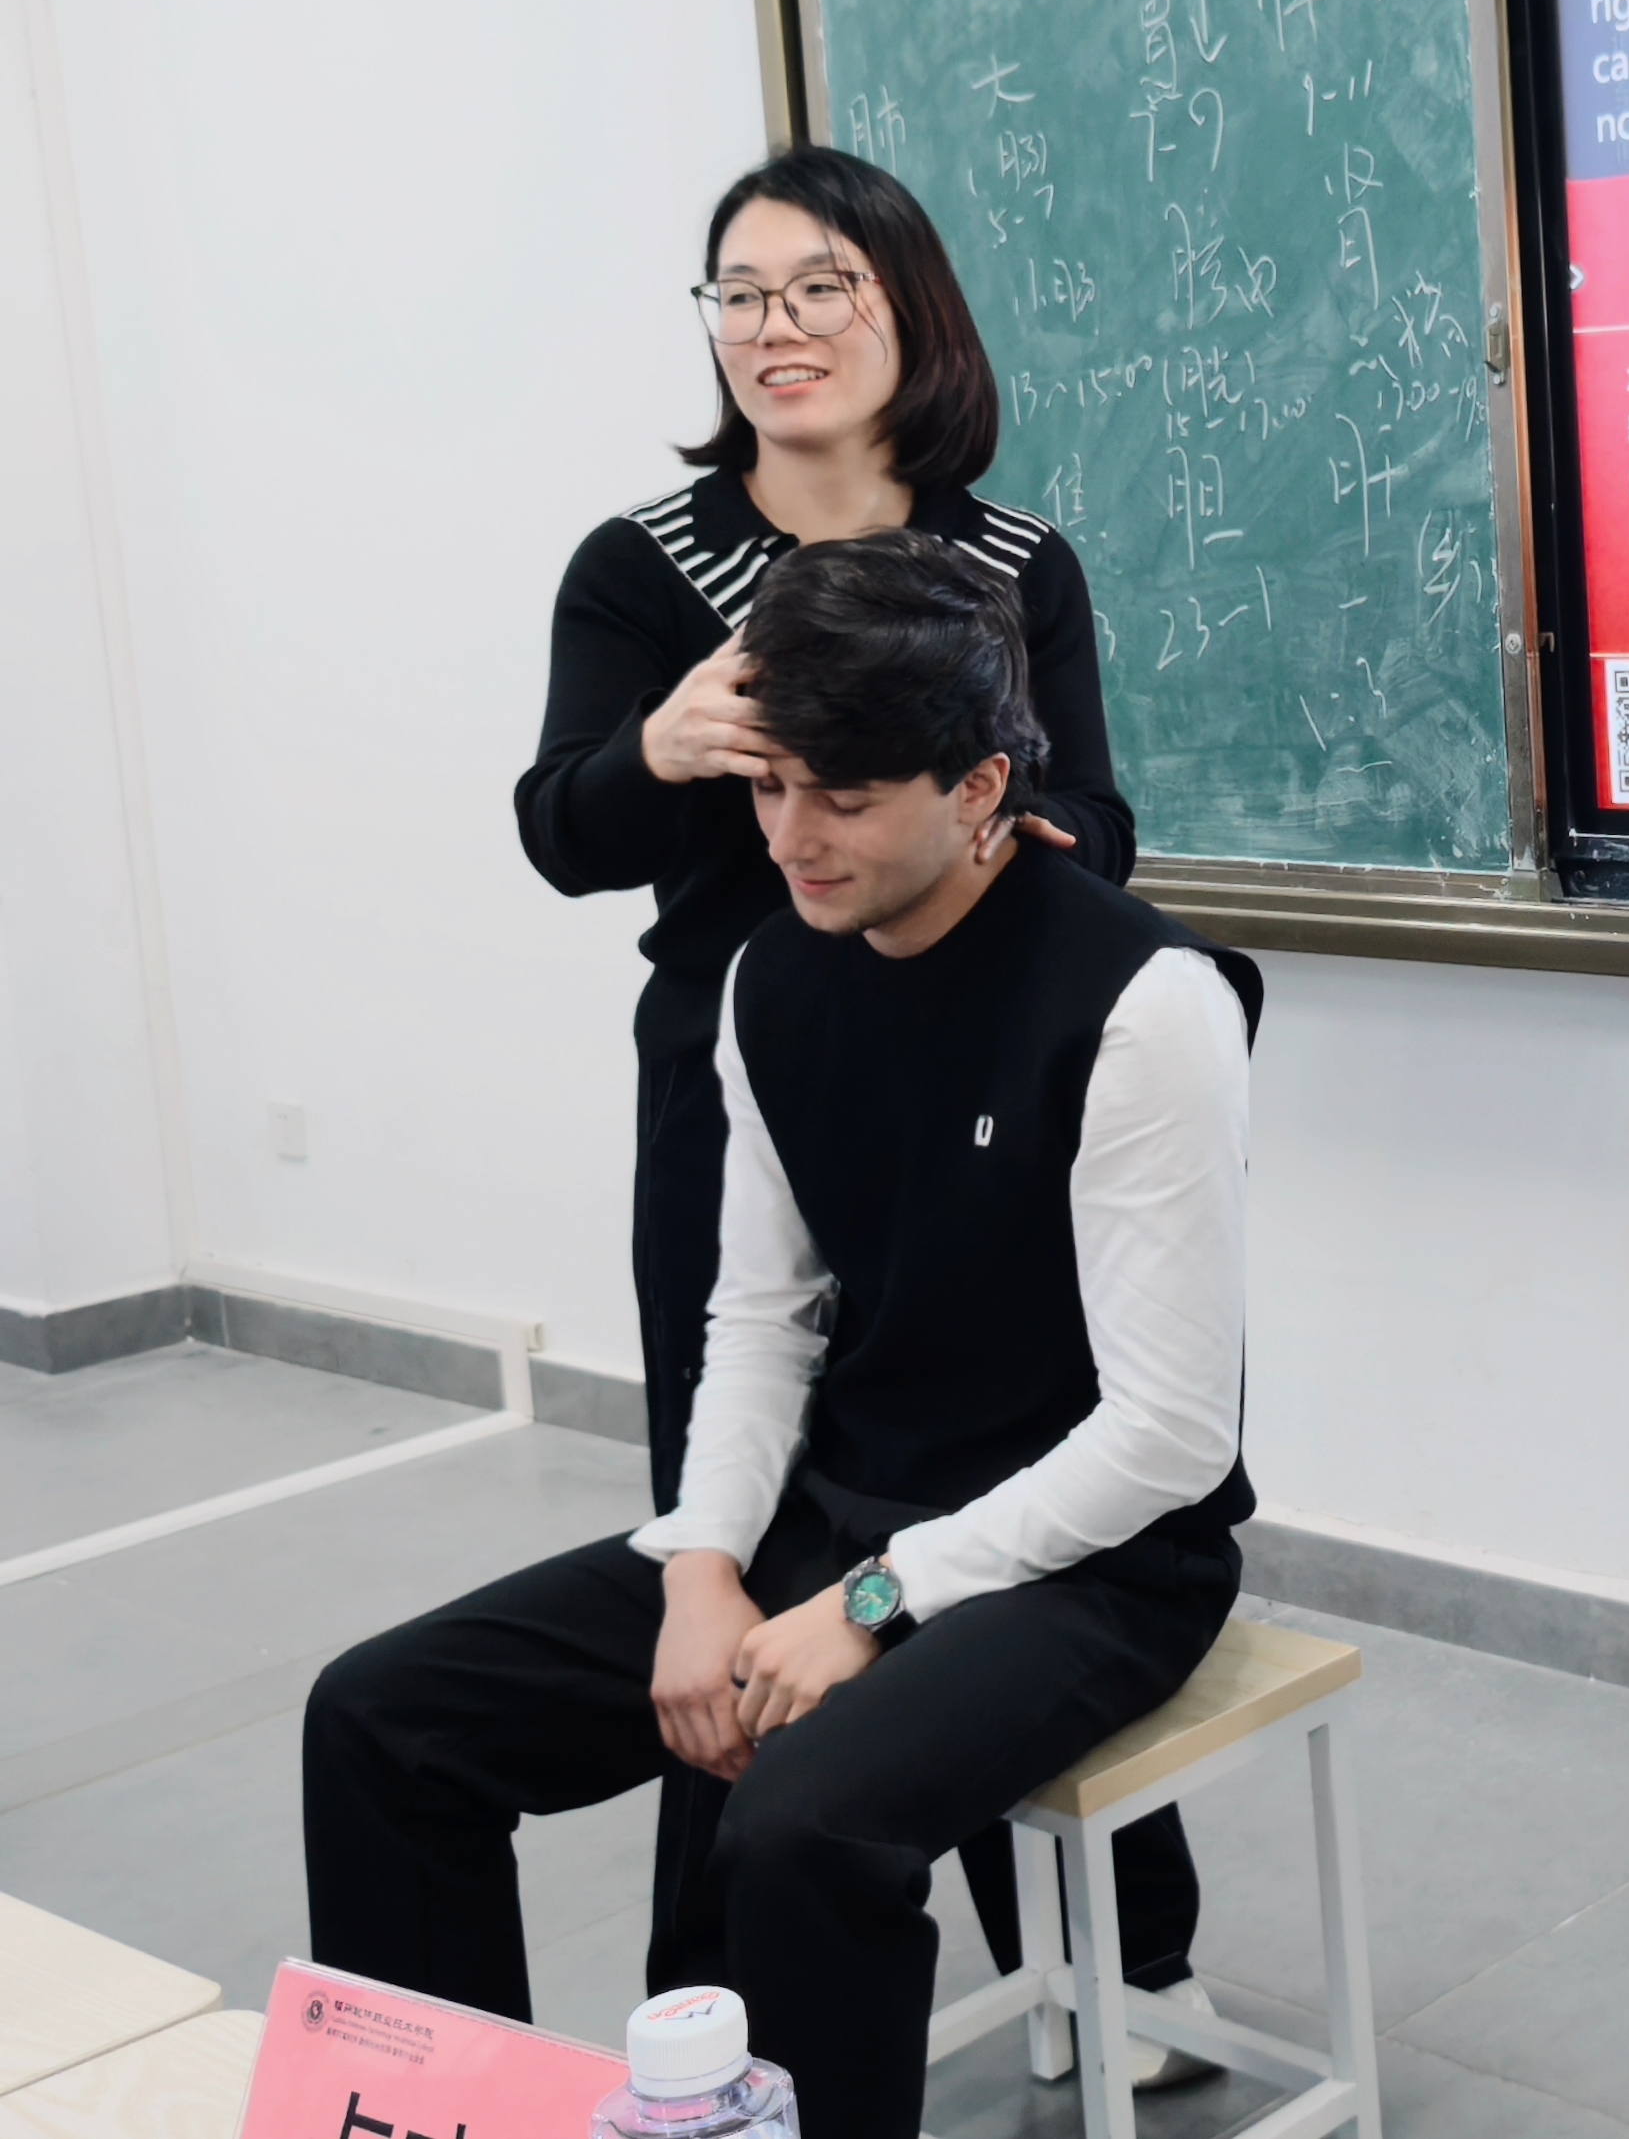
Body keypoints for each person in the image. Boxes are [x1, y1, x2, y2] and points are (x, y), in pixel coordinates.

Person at [310, 538, 1261, 2139]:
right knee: (384, 1718)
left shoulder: (1146, 1002)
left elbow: (1169, 1434)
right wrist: (700, 1568)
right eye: (767, 788)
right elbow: (758, 1317)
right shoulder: (771, 976)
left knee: (804, 1833)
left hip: (1099, 1560)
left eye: (844, 798)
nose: (791, 838)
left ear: (980, 788)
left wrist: (872, 1603)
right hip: (840, 1502)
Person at [508, 146, 1200, 2044]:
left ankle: (1111, 1967)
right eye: (740, 293)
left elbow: (1101, 823)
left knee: (1015, 1494)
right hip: (735, 1100)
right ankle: (726, 1995)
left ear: (909, 312)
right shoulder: (641, 567)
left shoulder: (1012, 565)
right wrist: (657, 749)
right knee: (725, 1534)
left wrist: (991, 816)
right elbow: (561, 830)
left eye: (822, 286)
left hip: (980, 1098)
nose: (778, 326)